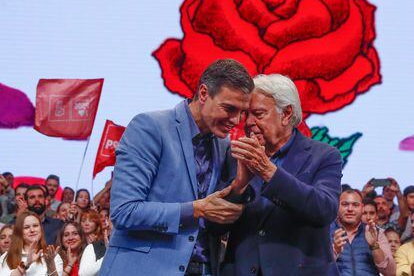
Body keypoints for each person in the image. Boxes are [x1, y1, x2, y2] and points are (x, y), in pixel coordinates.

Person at [100, 59, 254, 276]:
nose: (236, 120)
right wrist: (195, 209)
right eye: (229, 108)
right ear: (203, 94)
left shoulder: (224, 146)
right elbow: (125, 211)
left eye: (242, 112)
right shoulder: (150, 127)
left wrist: (240, 185)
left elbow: (215, 220)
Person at [217, 74, 343, 275]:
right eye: (246, 114)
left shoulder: (324, 155)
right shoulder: (236, 155)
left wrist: (268, 171)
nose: (248, 122)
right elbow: (214, 227)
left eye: (258, 114)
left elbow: (324, 210)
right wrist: (238, 187)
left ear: (286, 114)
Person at [332, 189, 395, 276]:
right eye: (345, 204)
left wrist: (374, 246)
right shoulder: (323, 232)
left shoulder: (375, 232)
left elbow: (391, 273)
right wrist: (334, 251)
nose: (350, 209)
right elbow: (314, 270)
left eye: (355, 205)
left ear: (362, 208)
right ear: (337, 206)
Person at [0, 211, 63, 276]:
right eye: (26, 227)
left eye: (35, 226)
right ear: (20, 232)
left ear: (41, 229)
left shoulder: (53, 257)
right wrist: (26, 264)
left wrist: (51, 265)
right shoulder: (7, 257)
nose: (32, 230)